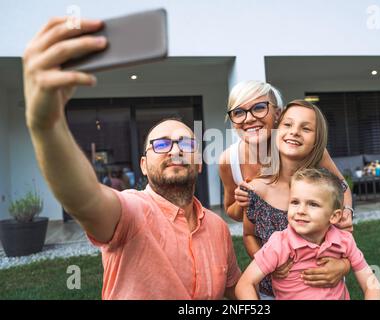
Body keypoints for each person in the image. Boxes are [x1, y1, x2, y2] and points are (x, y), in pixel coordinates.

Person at [22, 17, 241, 300]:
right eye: (161, 144)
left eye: (185, 143)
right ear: (143, 166)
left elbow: (235, 293)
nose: (174, 150)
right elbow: (83, 198)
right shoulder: (130, 212)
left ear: (199, 161)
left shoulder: (218, 228)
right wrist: (47, 126)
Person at [243, 100, 352, 299]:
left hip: (328, 290)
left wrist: (344, 265)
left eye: (306, 128)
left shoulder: (324, 187)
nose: (294, 132)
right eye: (287, 124)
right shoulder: (257, 190)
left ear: (317, 140)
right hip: (274, 292)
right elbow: (249, 235)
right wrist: (268, 265)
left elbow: (345, 238)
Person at [218, 80, 354, 231]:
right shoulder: (229, 160)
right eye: (238, 112)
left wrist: (347, 209)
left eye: (259, 108)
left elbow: (341, 184)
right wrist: (242, 202)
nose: (248, 118)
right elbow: (231, 210)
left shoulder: (301, 148)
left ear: (277, 113)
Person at [236, 168, 380, 300]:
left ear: (334, 216)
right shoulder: (280, 243)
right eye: (295, 202)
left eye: (313, 204)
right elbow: (244, 284)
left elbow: (372, 285)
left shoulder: (345, 240)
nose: (300, 210)